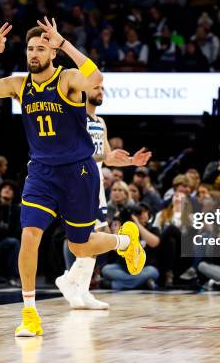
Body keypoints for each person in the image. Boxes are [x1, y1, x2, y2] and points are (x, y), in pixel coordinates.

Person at [0, 19, 146, 337]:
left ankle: (126, 241)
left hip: (79, 171)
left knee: (81, 247)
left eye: (41, 48)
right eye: (30, 48)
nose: (34, 53)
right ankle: (30, 313)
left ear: (53, 53)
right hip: (42, 173)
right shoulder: (21, 85)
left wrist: (65, 43)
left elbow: (95, 77)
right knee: (29, 235)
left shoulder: (68, 79)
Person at [57, 82, 151, 310]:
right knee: (88, 237)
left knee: (99, 235)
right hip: (78, 180)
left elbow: (106, 156)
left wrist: (130, 161)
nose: (100, 92)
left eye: (102, 89)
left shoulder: (100, 122)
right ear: (83, 90)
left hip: (95, 182)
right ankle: (69, 280)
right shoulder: (74, 117)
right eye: (96, 88)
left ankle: (82, 289)